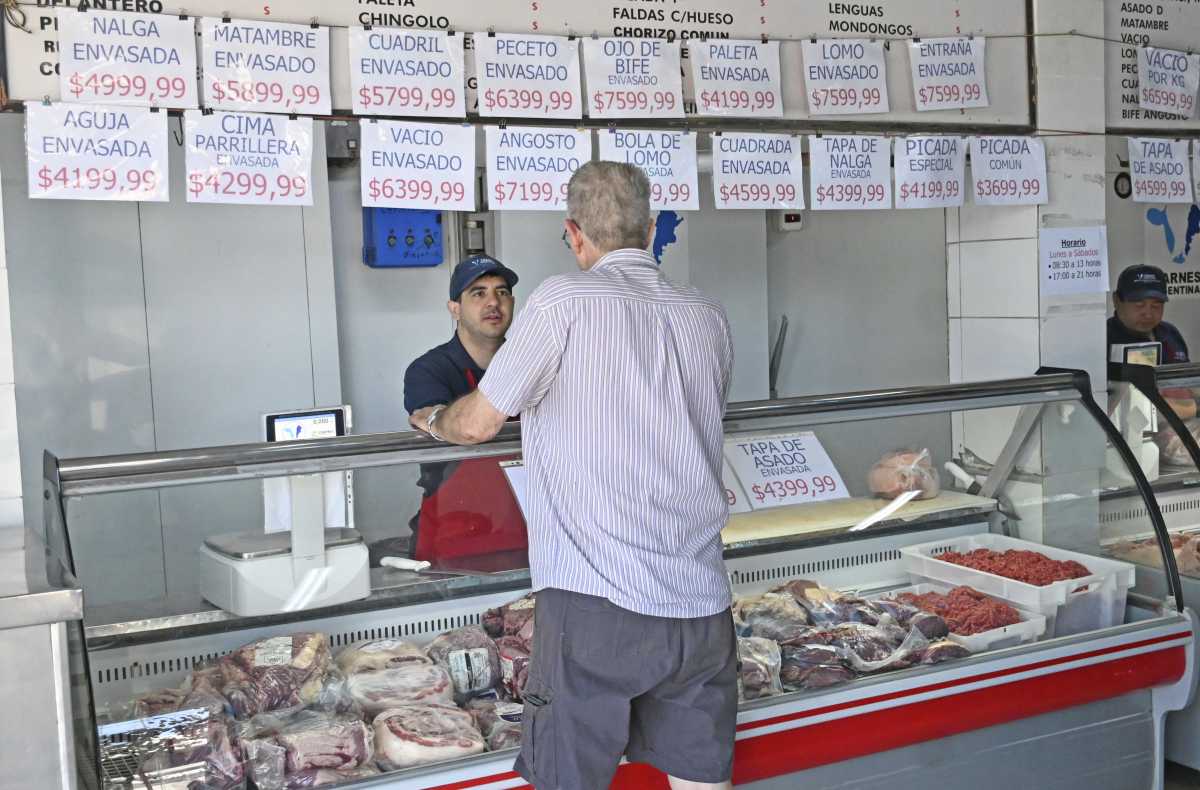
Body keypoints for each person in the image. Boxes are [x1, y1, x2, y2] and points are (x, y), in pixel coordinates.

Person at [410, 161, 737, 790]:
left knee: (570, 777)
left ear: (574, 234)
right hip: (700, 599)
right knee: (701, 781)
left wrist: (432, 418)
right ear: (648, 230)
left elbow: (476, 424)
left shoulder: (562, 299)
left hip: (595, 602)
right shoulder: (705, 312)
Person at [386, 254, 517, 562]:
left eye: (502, 292)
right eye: (478, 293)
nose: (493, 303)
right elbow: (453, 425)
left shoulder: (533, 363)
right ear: (454, 309)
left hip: (527, 520)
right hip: (455, 527)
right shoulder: (428, 370)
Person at [1108, 264, 1195, 418]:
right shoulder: (1103, 339)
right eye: (1139, 305)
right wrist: (1192, 409)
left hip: (1183, 427)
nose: (1148, 314)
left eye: (1156, 306)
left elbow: (1188, 385)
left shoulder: (1170, 333)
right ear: (1116, 301)